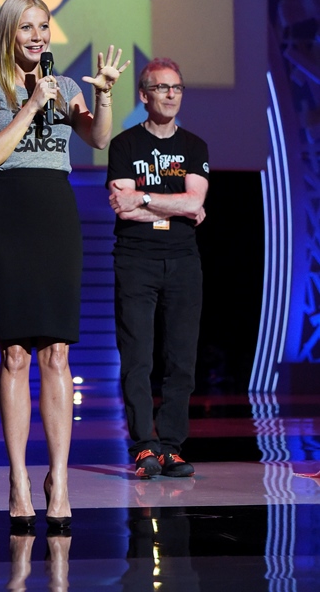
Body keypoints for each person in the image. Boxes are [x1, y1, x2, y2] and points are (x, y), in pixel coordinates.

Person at [0, 0, 128, 527]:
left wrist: (103, 95)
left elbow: (97, 138)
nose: (37, 36)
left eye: (44, 26)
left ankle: (59, 479)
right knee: (15, 353)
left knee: (57, 351)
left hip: (56, 216)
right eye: (27, 27)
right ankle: (18, 480)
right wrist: (33, 103)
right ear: (9, 33)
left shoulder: (66, 87)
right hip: (9, 217)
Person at [106, 58, 209, 479]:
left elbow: (195, 201)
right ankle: (144, 446)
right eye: (162, 88)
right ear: (144, 95)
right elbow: (123, 209)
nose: (171, 95)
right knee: (137, 357)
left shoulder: (195, 146)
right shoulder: (125, 145)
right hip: (136, 258)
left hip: (183, 259)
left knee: (181, 358)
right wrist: (176, 205)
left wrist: (145, 198)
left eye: (177, 88)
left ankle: (172, 447)